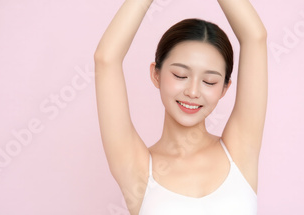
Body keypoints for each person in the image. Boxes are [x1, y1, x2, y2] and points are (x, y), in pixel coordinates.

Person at [94, 0, 267, 214]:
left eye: (209, 82)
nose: (193, 92)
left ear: (224, 88)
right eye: (180, 75)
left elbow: (256, 37)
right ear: (156, 74)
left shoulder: (240, 151)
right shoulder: (137, 168)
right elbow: (105, 59)